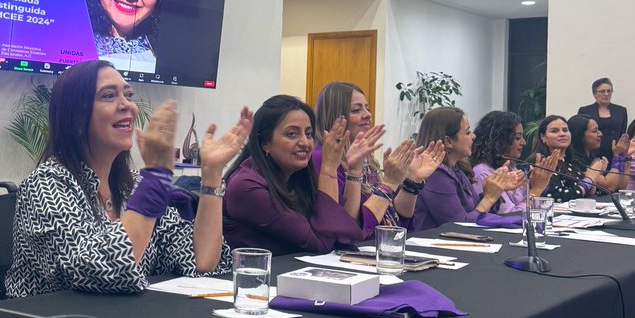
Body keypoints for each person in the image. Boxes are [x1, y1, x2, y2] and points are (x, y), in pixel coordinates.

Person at [5, 60, 250, 297]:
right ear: (76, 117)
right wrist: (155, 177)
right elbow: (95, 271)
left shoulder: (132, 185)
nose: (129, 106)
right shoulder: (46, 185)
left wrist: (212, 174)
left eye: (128, 95)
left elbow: (201, 261)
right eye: (109, 96)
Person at [223, 96, 374, 255]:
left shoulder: (297, 175)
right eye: (292, 134)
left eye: (308, 134)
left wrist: (354, 171)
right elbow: (321, 244)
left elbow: (344, 233)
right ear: (265, 143)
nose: (305, 142)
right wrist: (328, 169)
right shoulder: (246, 186)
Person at [312, 81, 444, 229]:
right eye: (356, 110)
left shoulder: (366, 157)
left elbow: (392, 215)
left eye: (367, 108)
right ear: (335, 117)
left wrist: (412, 182)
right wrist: (390, 182)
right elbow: (351, 225)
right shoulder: (322, 158)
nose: (368, 115)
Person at [412, 107, 523, 231]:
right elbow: (458, 225)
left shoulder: (458, 169)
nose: (474, 136)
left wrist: (494, 189)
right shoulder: (436, 174)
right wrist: (489, 198)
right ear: (448, 141)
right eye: (467, 132)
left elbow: (475, 211)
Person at [469, 111, 557, 214]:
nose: (523, 142)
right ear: (500, 140)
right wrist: (535, 190)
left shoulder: (511, 167)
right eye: (518, 138)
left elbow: (525, 205)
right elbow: (510, 216)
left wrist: (533, 183)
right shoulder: (483, 172)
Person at [527, 115, 609, 203]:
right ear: (543, 137)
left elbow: (591, 194)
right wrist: (588, 180)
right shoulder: (540, 163)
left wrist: (594, 178)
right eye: (554, 131)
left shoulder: (573, 162)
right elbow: (558, 197)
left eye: (565, 130)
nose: (562, 134)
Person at [568, 114, 635, 193]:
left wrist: (625, 157)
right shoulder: (575, 161)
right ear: (579, 135)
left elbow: (621, 186)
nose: (600, 134)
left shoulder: (593, 158)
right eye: (594, 131)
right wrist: (617, 156)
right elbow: (610, 186)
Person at [576, 78, 629, 161]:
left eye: (609, 91)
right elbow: (580, 133)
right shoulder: (585, 110)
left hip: (614, 152)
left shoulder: (621, 111)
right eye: (602, 91)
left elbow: (623, 133)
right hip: (592, 153)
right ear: (594, 94)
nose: (606, 94)